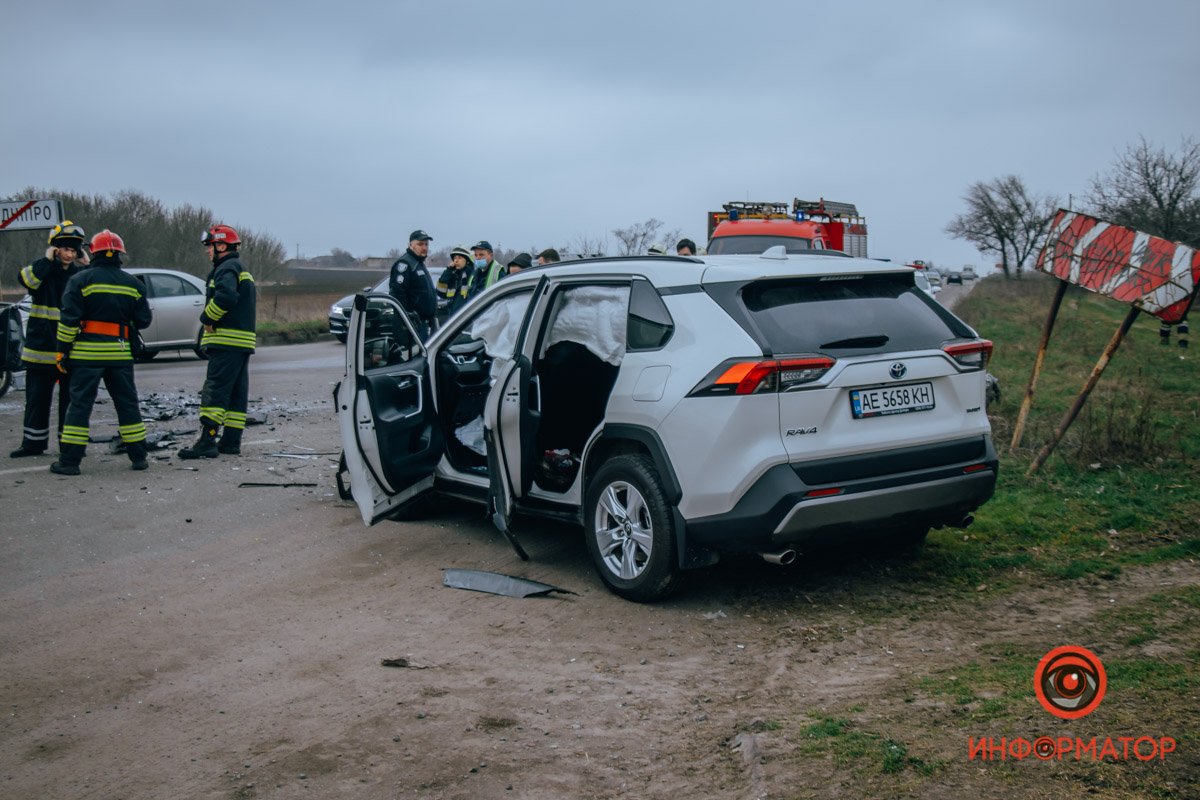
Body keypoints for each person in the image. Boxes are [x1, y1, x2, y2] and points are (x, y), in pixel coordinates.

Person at [51, 230, 152, 475]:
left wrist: (61, 351)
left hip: (86, 356)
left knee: (79, 406)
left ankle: (70, 462)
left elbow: (68, 322)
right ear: (119, 254)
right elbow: (144, 320)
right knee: (127, 405)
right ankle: (139, 457)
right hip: (120, 354)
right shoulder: (134, 284)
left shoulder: (80, 280)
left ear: (93, 252)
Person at [10, 221, 89, 458]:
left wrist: (88, 264)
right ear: (55, 249)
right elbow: (25, 279)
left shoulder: (79, 275)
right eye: (65, 249)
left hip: (70, 350)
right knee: (37, 400)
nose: (69, 254)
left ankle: (68, 445)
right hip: (41, 351)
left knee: (70, 401)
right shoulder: (43, 272)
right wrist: (46, 260)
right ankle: (33, 444)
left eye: (73, 250)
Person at [178, 224, 257, 459]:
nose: (207, 251)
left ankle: (207, 440)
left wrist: (207, 318)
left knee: (216, 389)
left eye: (210, 246)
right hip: (242, 343)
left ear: (222, 246)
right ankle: (231, 441)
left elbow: (226, 296)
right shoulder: (240, 268)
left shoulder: (226, 268)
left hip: (226, 341)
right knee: (236, 392)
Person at [388, 229, 437, 339]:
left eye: (426, 244)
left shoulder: (418, 263)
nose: (424, 247)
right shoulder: (405, 264)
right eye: (420, 244)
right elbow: (397, 294)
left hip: (423, 324)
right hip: (412, 326)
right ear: (411, 245)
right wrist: (407, 318)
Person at [435, 245, 476, 324]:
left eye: (459, 258)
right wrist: (448, 271)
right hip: (453, 318)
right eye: (455, 258)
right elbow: (440, 292)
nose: (456, 261)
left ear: (467, 260)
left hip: (466, 319)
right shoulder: (453, 275)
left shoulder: (471, 275)